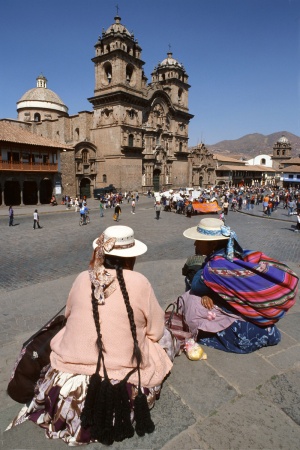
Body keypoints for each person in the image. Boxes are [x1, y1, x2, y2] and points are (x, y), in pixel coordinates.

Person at [8, 226, 173, 445]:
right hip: (119, 390)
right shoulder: (140, 282)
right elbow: (156, 331)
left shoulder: (81, 278)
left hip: (66, 385)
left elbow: (69, 316)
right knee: (165, 340)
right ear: (130, 258)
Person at [182, 218, 283, 354]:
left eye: (199, 240)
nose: (195, 244)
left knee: (189, 299)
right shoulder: (237, 256)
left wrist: (205, 268)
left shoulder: (212, 269)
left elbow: (195, 286)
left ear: (212, 245)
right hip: (264, 324)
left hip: (242, 332)